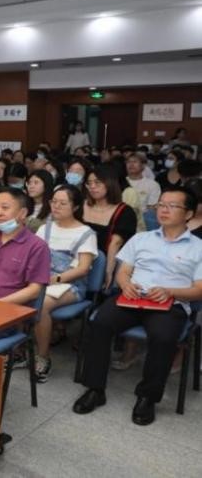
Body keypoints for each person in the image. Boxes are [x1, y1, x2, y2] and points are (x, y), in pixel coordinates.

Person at [73, 188, 202, 426]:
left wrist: (170, 291)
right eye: (161, 204)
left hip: (170, 303)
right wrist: (125, 284)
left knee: (163, 337)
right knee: (100, 323)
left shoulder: (198, 247)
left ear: (188, 214)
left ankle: (147, 397)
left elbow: (199, 289)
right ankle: (95, 389)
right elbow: (124, 271)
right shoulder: (141, 238)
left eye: (172, 206)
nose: (163, 210)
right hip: (133, 297)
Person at [32, 185, 98, 382]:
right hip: (43, 279)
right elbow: (33, 257)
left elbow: (83, 269)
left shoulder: (86, 233)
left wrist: (56, 279)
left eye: (63, 203)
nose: (56, 206)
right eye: (53, 202)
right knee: (14, 292)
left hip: (71, 284)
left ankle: (43, 357)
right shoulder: (45, 228)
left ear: (75, 206)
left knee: (41, 304)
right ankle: (18, 350)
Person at [82, 164, 137, 289]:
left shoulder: (125, 211)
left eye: (97, 182)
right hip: (77, 258)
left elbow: (115, 244)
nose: (92, 187)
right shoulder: (81, 206)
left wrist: (108, 273)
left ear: (110, 183)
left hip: (105, 262)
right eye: (89, 183)